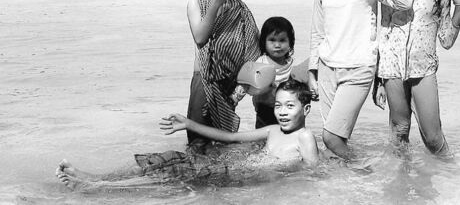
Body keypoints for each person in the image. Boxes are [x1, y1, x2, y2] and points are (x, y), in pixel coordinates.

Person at [56, 80, 318, 191]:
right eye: (279, 105)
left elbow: (312, 172)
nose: (282, 112)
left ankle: (98, 188)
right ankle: (97, 177)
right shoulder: (273, 130)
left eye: (290, 106)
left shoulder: (304, 137)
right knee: (167, 159)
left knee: (173, 176)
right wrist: (190, 124)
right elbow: (229, 138)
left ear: (305, 109)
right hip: (228, 166)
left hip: (243, 175)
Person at [309, 0, 412, 159]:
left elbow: (404, 4)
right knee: (334, 141)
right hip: (327, 68)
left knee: (330, 138)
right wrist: (312, 71)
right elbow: (317, 32)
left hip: (359, 68)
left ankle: (365, 171)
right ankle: (344, 191)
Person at [372, 0, 460, 156]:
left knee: (433, 138)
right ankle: (400, 183)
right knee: (399, 130)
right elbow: (383, 35)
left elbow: (446, 40)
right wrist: (378, 80)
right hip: (392, 70)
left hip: (423, 71)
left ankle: (449, 177)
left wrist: (459, 8)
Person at [186, 0, 261, 148]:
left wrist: (237, 93)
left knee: (222, 143)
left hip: (229, 85)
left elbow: (254, 53)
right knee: (198, 142)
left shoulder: (239, 8)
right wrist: (215, 3)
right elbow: (200, 38)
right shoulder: (195, 3)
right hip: (204, 82)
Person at [252, 16, 297, 128]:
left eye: (282, 40)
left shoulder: (291, 65)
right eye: (272, 40)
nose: (277, 45)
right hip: (265, 109)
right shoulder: (261, 63)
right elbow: (250, 86)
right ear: (264, 42)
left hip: (287, 110)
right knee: (262, 140)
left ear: (290, 43)